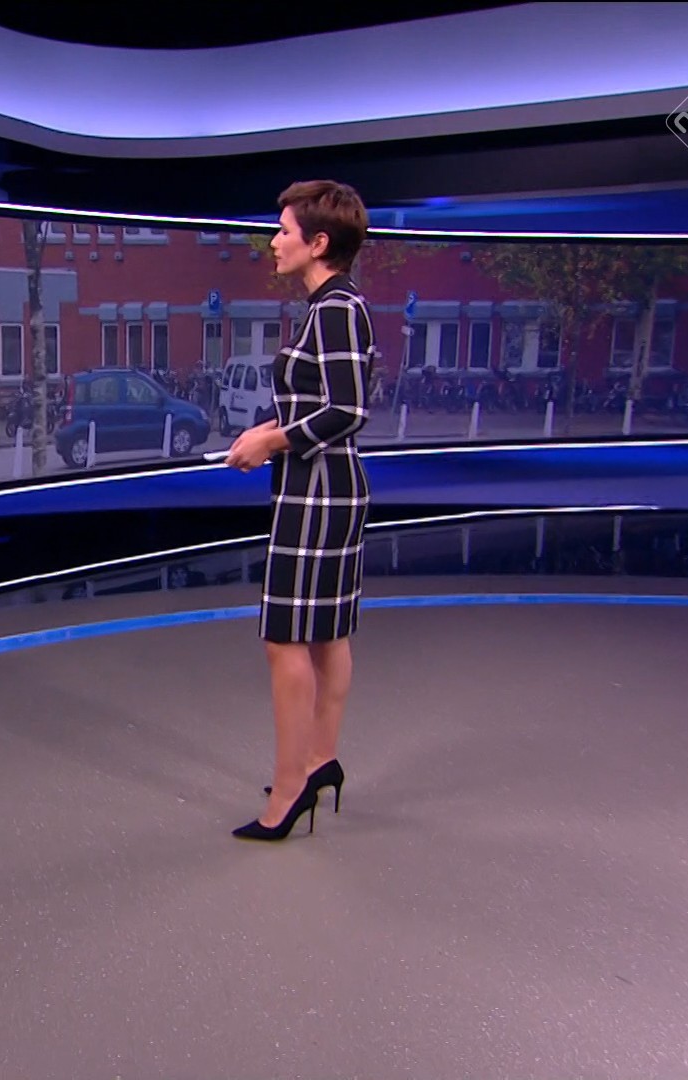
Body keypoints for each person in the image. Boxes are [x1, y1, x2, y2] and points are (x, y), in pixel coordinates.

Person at [222, 180, 375, 842]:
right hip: (321, 487)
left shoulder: (336, 309)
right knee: (326, 635)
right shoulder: (330, 308)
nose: (273, 242)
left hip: (317, 492)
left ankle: (290, 792)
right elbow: (323, 403)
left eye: (284, 231)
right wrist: (271, 430)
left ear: (317, 242)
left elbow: (348, 409)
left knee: (285, 639)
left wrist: (272, 440)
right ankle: (318, 762)